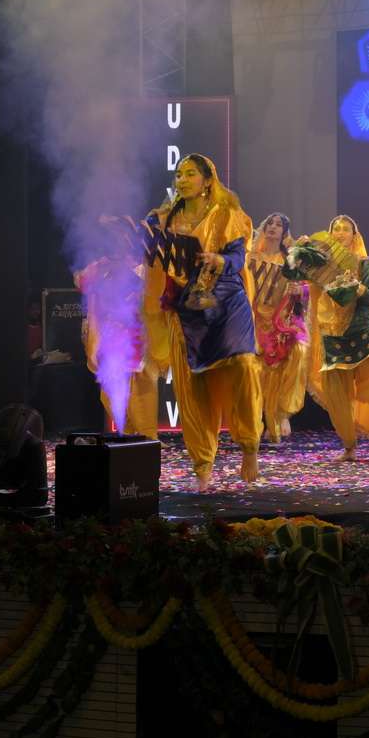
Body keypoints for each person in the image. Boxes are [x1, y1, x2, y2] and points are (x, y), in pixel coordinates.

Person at [140, 154, 262, 490]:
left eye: (190, 174)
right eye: (179, 174)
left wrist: (219, 259)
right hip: (186, 308)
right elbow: (145, 245)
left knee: (243, 366)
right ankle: (202, 465)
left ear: (208, 180)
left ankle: (249, 446)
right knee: (192, 386)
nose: (182, 179)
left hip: (227, 301)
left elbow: (238, 256)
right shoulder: (164, 218)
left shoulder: (228, 216)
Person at [284, 215, 369, 462]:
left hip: (363, 330)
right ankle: (349, 446)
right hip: (332, 336)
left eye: (346, 229)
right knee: (338, 395)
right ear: (330, 234)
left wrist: (356, 287)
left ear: (354, 235)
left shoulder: (363, 264)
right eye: (336, 228)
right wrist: (297, 252)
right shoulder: (319, 263)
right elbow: (290, 274)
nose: (341, 232)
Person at [75, 256, 159, 439]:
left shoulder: (144, 266)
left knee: (141, 391)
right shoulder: (100, 266)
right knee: (109, 393)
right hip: (108, 337)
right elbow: (82, 283)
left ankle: (147, 438)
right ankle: (128, 434)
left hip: (136, 335)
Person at [250, 213, 308, 444]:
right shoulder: (250, 257)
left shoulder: (290, 261)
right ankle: (254, 422)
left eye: (279, 225)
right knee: (255, 371)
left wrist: (300, 291)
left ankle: (280, 414)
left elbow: (308, 288)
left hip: (280, 321)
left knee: (297, 354)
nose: (273, 227)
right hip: (253, 320)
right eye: (270, 223)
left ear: (284, 232)